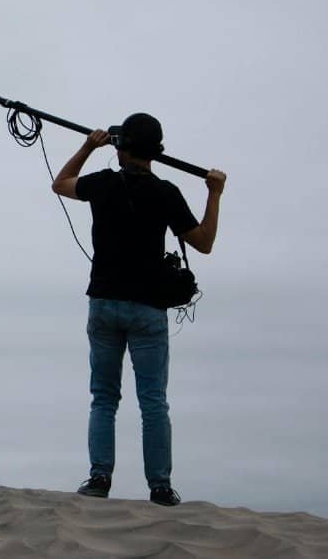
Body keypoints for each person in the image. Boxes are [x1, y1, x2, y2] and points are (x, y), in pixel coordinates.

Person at [51, 112, 226, 506]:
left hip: (105, 303)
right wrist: (214, 193)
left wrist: (86, 147)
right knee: (153, 402)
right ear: (155, 152)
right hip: (148, 309)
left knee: (104, 397)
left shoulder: (105, 183)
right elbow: (204, 241)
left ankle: (99, 478)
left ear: (121, 147)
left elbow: (60, 184)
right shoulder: (167, 192)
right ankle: (160, 486)